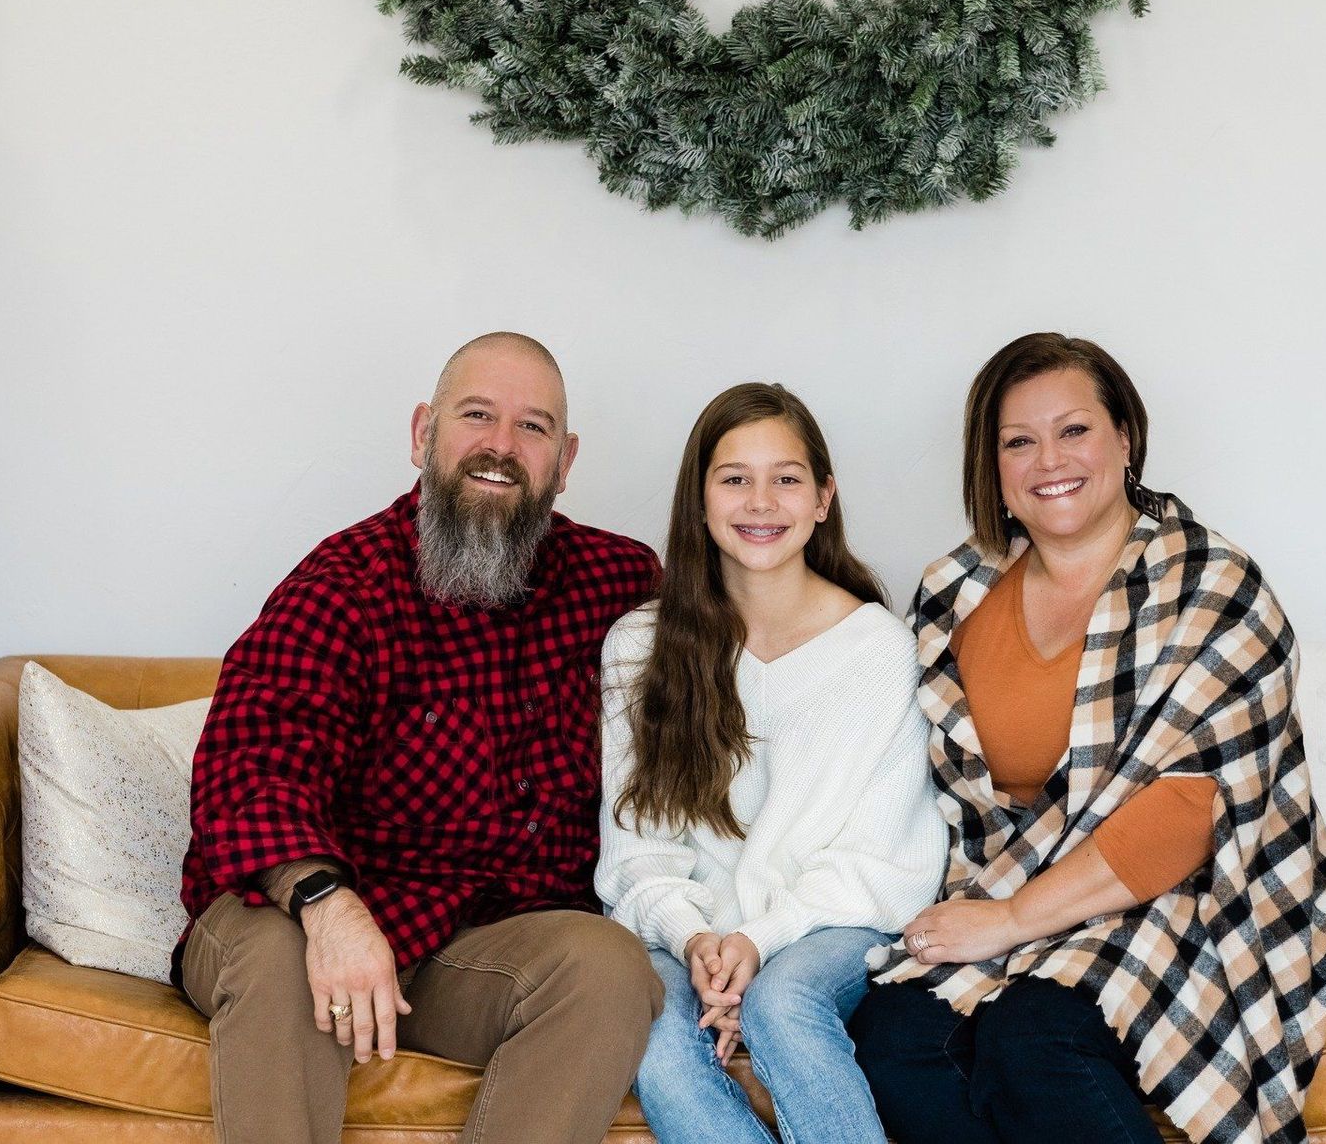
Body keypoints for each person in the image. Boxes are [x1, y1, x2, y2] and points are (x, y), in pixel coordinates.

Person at [849, 333, 1326, 1144]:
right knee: (897, 1038)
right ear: (995, 467)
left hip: (1188, 895)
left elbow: (1187, 818)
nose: (1050, 458)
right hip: (1002, 883)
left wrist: (1013, 921)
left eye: (1074, 429)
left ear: (1126, 439)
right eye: (1019, 441)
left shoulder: (1212, 584)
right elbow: (913, 782)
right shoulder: (953, 593)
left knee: (1034, 1037)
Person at [176, 332, 665, 1144]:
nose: (501, 447)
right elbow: (249, 762)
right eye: (477, 415)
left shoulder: (615, 583)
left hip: (476, 944)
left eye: (533, 427)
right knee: (277, 958)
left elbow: (742, 660)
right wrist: (329, 907)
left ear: (566, 458)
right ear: (422, 434)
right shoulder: (343, 584)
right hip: (308, 908)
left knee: (607, 968)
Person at [595, 382, 946, 1144]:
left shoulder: (880, 649)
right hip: (678, 931)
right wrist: (698, 943)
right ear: (699, 499)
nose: (761, 501)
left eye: (786, 478)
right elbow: (636, 855)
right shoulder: (638, 646)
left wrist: (759, 941)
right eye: (734, 478)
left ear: (824, 497)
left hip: (830, 922)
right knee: (650, 1033)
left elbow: (884, 860)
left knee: (781, 1005)